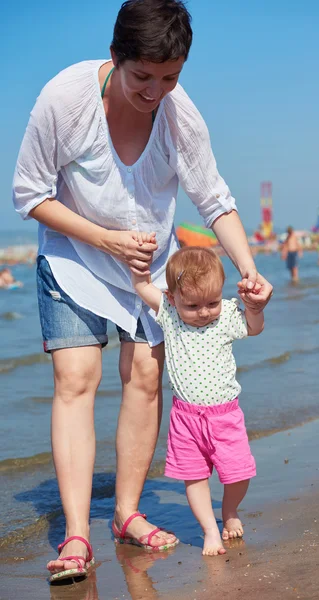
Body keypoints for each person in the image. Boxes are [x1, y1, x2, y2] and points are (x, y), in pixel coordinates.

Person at [12, 0, 273, 582]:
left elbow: (215, 199)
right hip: (76, 256)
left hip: (146, 273)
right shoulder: (65, 100)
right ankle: (77, 533)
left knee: (148, 377)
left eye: (171, 77)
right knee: (77, 379)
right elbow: (29, 194)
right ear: (115, 59)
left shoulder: (182, 117)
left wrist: (250, 269)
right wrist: (105, 239)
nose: (157, 92)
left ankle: (126, 514)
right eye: (143, 78)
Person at [131, 239, 269, 556]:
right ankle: (210, 531)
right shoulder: (169, 314)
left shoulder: (226, 317)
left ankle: (229, 511)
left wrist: (255, 307)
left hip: (225, 417)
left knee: (239, 473)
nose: (203, 312)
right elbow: (142, 287)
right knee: (193, 478)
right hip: (186, 419)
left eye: (211, 303)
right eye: (192, 306)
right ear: (173, 299)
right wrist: (138, 272)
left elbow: (255, 328)